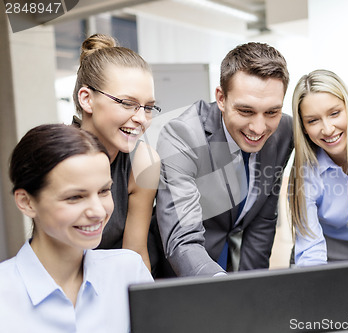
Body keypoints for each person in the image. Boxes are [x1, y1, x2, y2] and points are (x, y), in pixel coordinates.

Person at [152, 42, 294, 277]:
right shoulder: (182, 135)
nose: (259, 128)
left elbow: (262, 220)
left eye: (271, 112)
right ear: (221, 98)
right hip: (182, 273)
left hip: (235, 265)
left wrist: (250, 293)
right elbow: (182, 239)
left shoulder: (283, 130)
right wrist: (220, 288)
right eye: (246, 111)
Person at [0, 124, 153, 332]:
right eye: (75, 197)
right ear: (27, 202)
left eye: (104, 191)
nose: (98, 211)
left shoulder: (128, 271)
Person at [73, 33, 160, 271]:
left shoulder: (144, 161)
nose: (141, 118)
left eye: (149, 107)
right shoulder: (56, 158)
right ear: (87, 99)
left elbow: (135, 256)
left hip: (115, 284)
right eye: (127, 103)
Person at [288, 69, 348, 266]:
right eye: (313, 121)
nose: (327, 129)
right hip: (325, 257)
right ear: (304, 128)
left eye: (334, 113)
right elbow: (310, 251)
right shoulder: (306, 171)